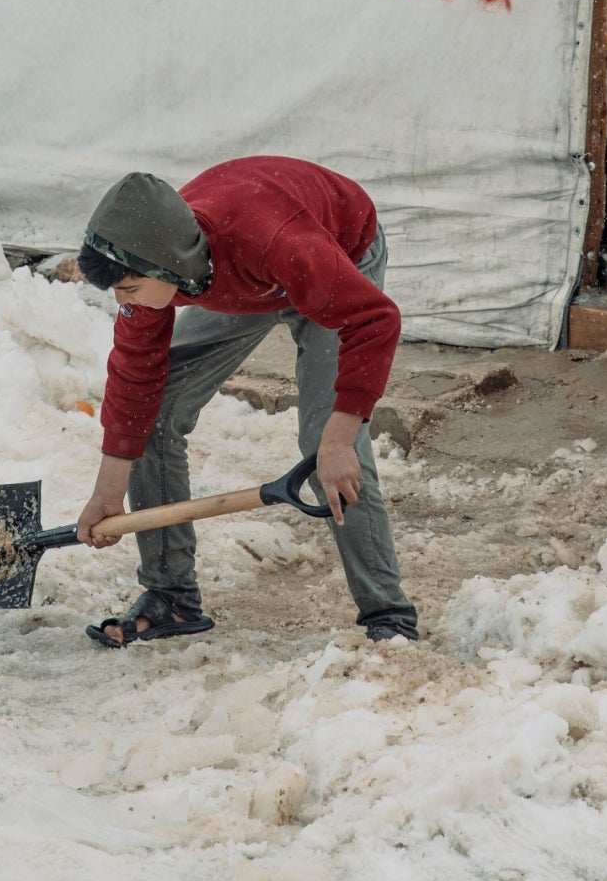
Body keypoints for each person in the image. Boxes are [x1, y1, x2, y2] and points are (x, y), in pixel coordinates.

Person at [73, 158, 418, 648]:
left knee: (328, 444)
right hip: (248, 278)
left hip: (336, 255)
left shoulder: (270, 237)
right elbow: (134, 381)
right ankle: (170, 597)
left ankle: (390, 615)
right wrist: (109, 491)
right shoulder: (152, 265)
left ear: (165, 263)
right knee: (156, 413)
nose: (121, 301)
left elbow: (375, 320)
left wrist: (340, 437)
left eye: (128, 289)